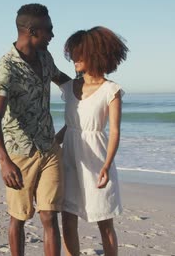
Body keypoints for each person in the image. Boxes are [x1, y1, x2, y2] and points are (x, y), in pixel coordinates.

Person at [0, 3, 70, 256]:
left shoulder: (45, 57)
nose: (53, 35)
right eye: (49, 30)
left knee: (49, 215)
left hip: (49, 148)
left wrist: (93, 85)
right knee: (19, 218)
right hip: (19, 155)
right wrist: (4, 162)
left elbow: (64, 81)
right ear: (32, 30)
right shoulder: (7, 68)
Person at [53, 26, 129, 256]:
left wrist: (106, 165)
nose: (73, 58)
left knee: (104, 221)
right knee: (67, 218)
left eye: (79, 53)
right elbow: (71, 125)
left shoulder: (110, 90)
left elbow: (114, 131)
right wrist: (52, 144)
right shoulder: (68, 86)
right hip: (69, 158)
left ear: (95, 54)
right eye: (72, 53)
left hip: (97, 161)